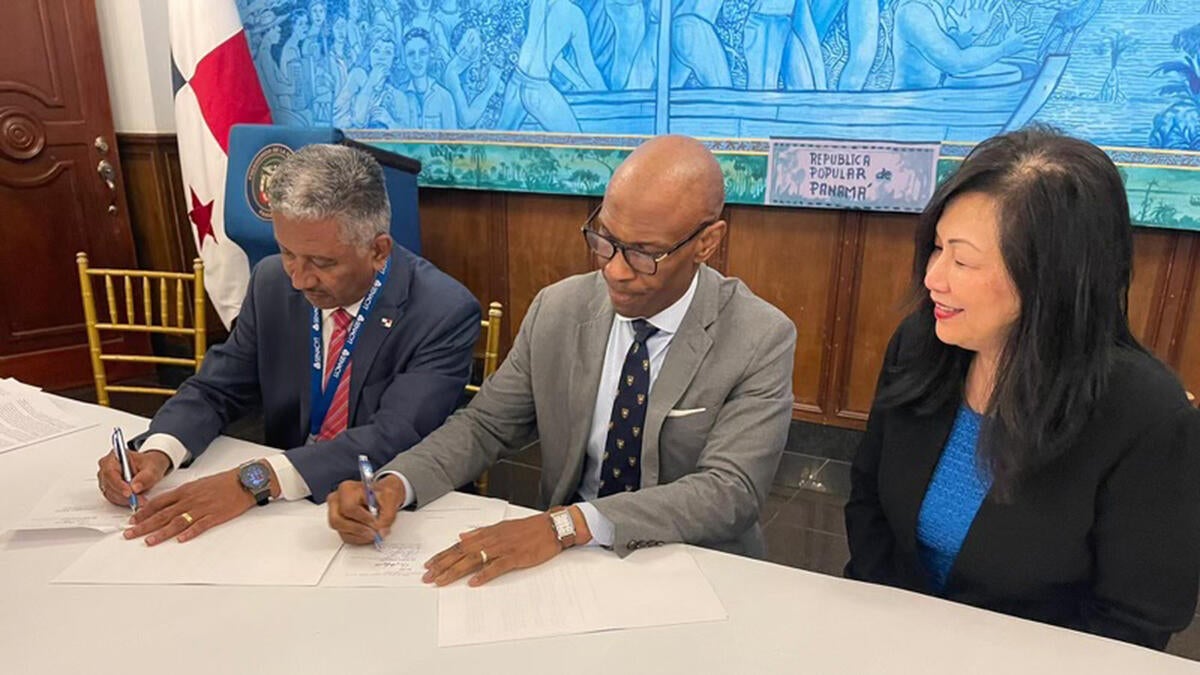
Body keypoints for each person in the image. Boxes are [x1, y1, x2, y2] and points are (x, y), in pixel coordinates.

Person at [328, 135, 796, 586]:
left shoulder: (758, 336)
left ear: (707, 243)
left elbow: (730, 492)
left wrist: (567, 526)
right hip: (566, 564)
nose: (613, 269)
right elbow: (485, 425)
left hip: (692, 564)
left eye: (644, 254)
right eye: (605, 239)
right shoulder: (559, 308)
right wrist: (397, 483)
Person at [844, 127, 1200, 650]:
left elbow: (1135, 620)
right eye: (937, 248)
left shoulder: (1146, 416)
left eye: (962, 260)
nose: (933, 278)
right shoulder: (923, 345)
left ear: (1049, 277)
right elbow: (868, 501)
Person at [97, 145, 481, 546]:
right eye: (287, 253)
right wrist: (158, 452)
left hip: (382, 510)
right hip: (284, 510)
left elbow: (393, 436)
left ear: (378, 250)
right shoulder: (271, 282)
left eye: (322, 262)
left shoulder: (442, 310)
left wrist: (254, 481)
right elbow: (218, 387)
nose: (300, 280)